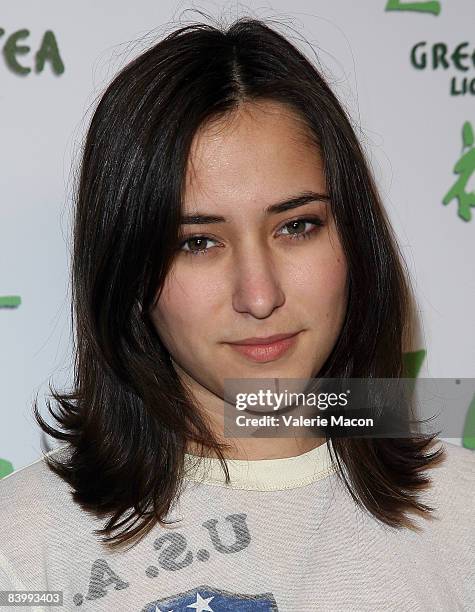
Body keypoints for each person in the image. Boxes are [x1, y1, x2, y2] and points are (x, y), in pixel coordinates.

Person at [0, 15, 473, 612]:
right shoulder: (22, 552)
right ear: (128, 272)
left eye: (297, 226)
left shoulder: (465, 516)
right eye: (197, 242)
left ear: (353, 238)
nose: (259, 295)